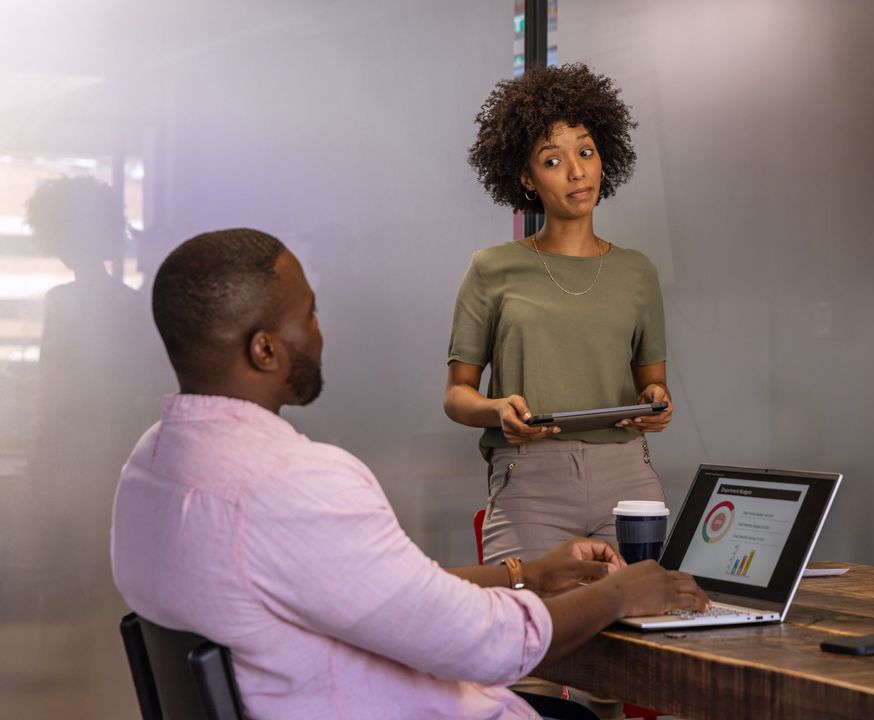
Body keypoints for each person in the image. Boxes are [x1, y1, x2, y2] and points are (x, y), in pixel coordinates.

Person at [111, 228, 707, 720]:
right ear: (264, 350)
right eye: (309, 314)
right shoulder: (293, 482)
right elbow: (489, 645)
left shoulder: (150, 469)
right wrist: (620, 592)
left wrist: (524, 573)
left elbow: (377, 592)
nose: (319, 330)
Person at [445, 63, 673, 567]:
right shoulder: (492, 268)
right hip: (530, 480)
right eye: (553, 160)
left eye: (586, 153)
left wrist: (656, 403)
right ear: (526, 176)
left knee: (643, 619)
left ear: (602, 160)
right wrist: (498, 409)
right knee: (524, 629)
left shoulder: (637, 272)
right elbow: (457, 396)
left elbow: (653, 387)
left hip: (627, 479)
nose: (577, 171)